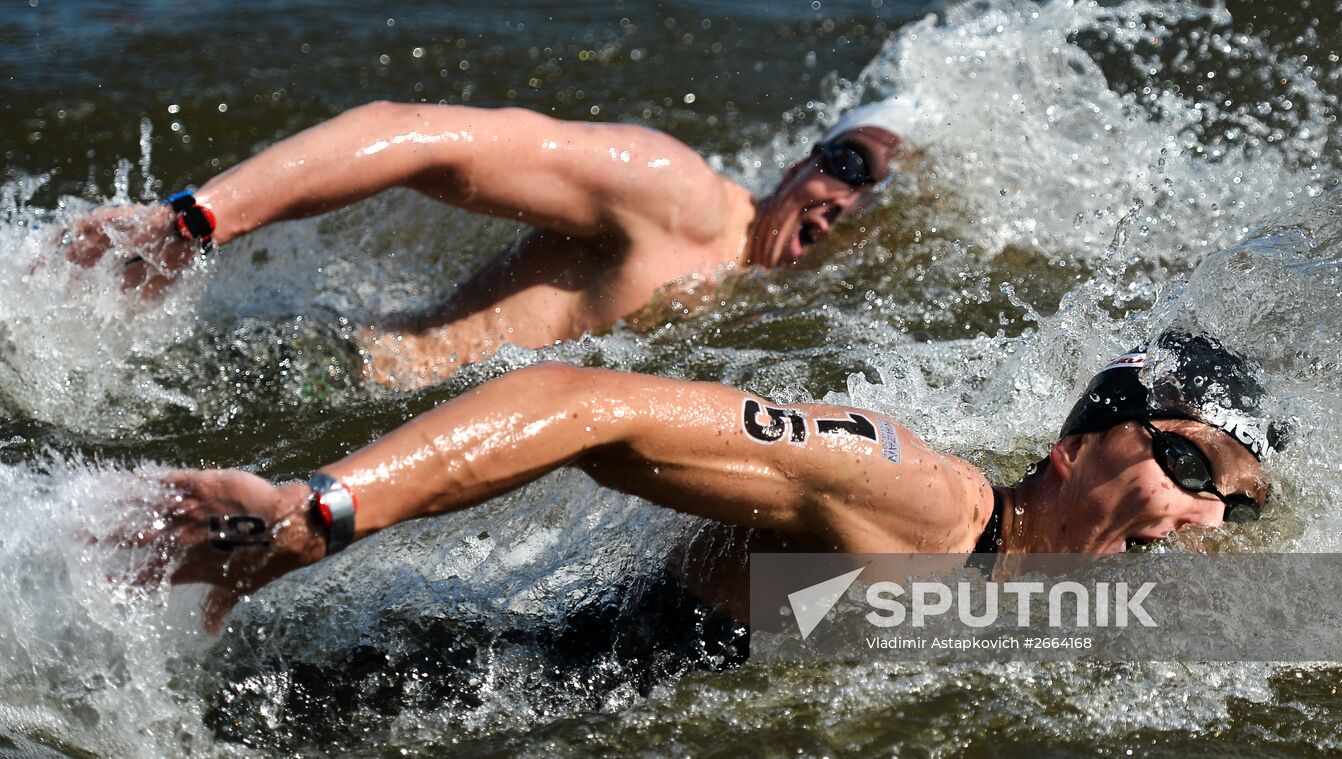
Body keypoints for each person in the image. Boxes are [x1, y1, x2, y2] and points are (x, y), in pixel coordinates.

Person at [127, 330, 1281, 633]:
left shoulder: (1069, 599)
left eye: (1233, 502)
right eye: (1184, 461)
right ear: (1073, 450)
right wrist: (319, 511)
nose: (1201, 512)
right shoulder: (907, 495)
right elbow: (575, 403)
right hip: (440, 701)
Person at [60, 97, 916, 387]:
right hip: (328, 383)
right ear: (804, 155)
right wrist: (196, 221)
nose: (843, 200)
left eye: (869, 204)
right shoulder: (673, 192)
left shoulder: (764, 293)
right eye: (847, 162)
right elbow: (417, 134)